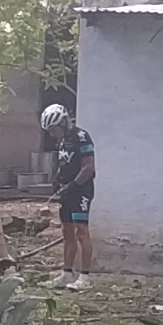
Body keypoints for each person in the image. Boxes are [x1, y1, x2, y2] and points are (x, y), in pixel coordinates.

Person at [40, 101, 96, 277]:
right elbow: (64, 164)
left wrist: (74, 185)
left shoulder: (82, 137)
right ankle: (66, 274)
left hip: (81, 190)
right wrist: (56, 181)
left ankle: (85, 276)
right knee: (67, 233)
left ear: (63, 123)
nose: (51, 134)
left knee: (81, 232)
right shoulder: (63, 141)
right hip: (66, 191)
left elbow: (88, 167)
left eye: (53, 129)